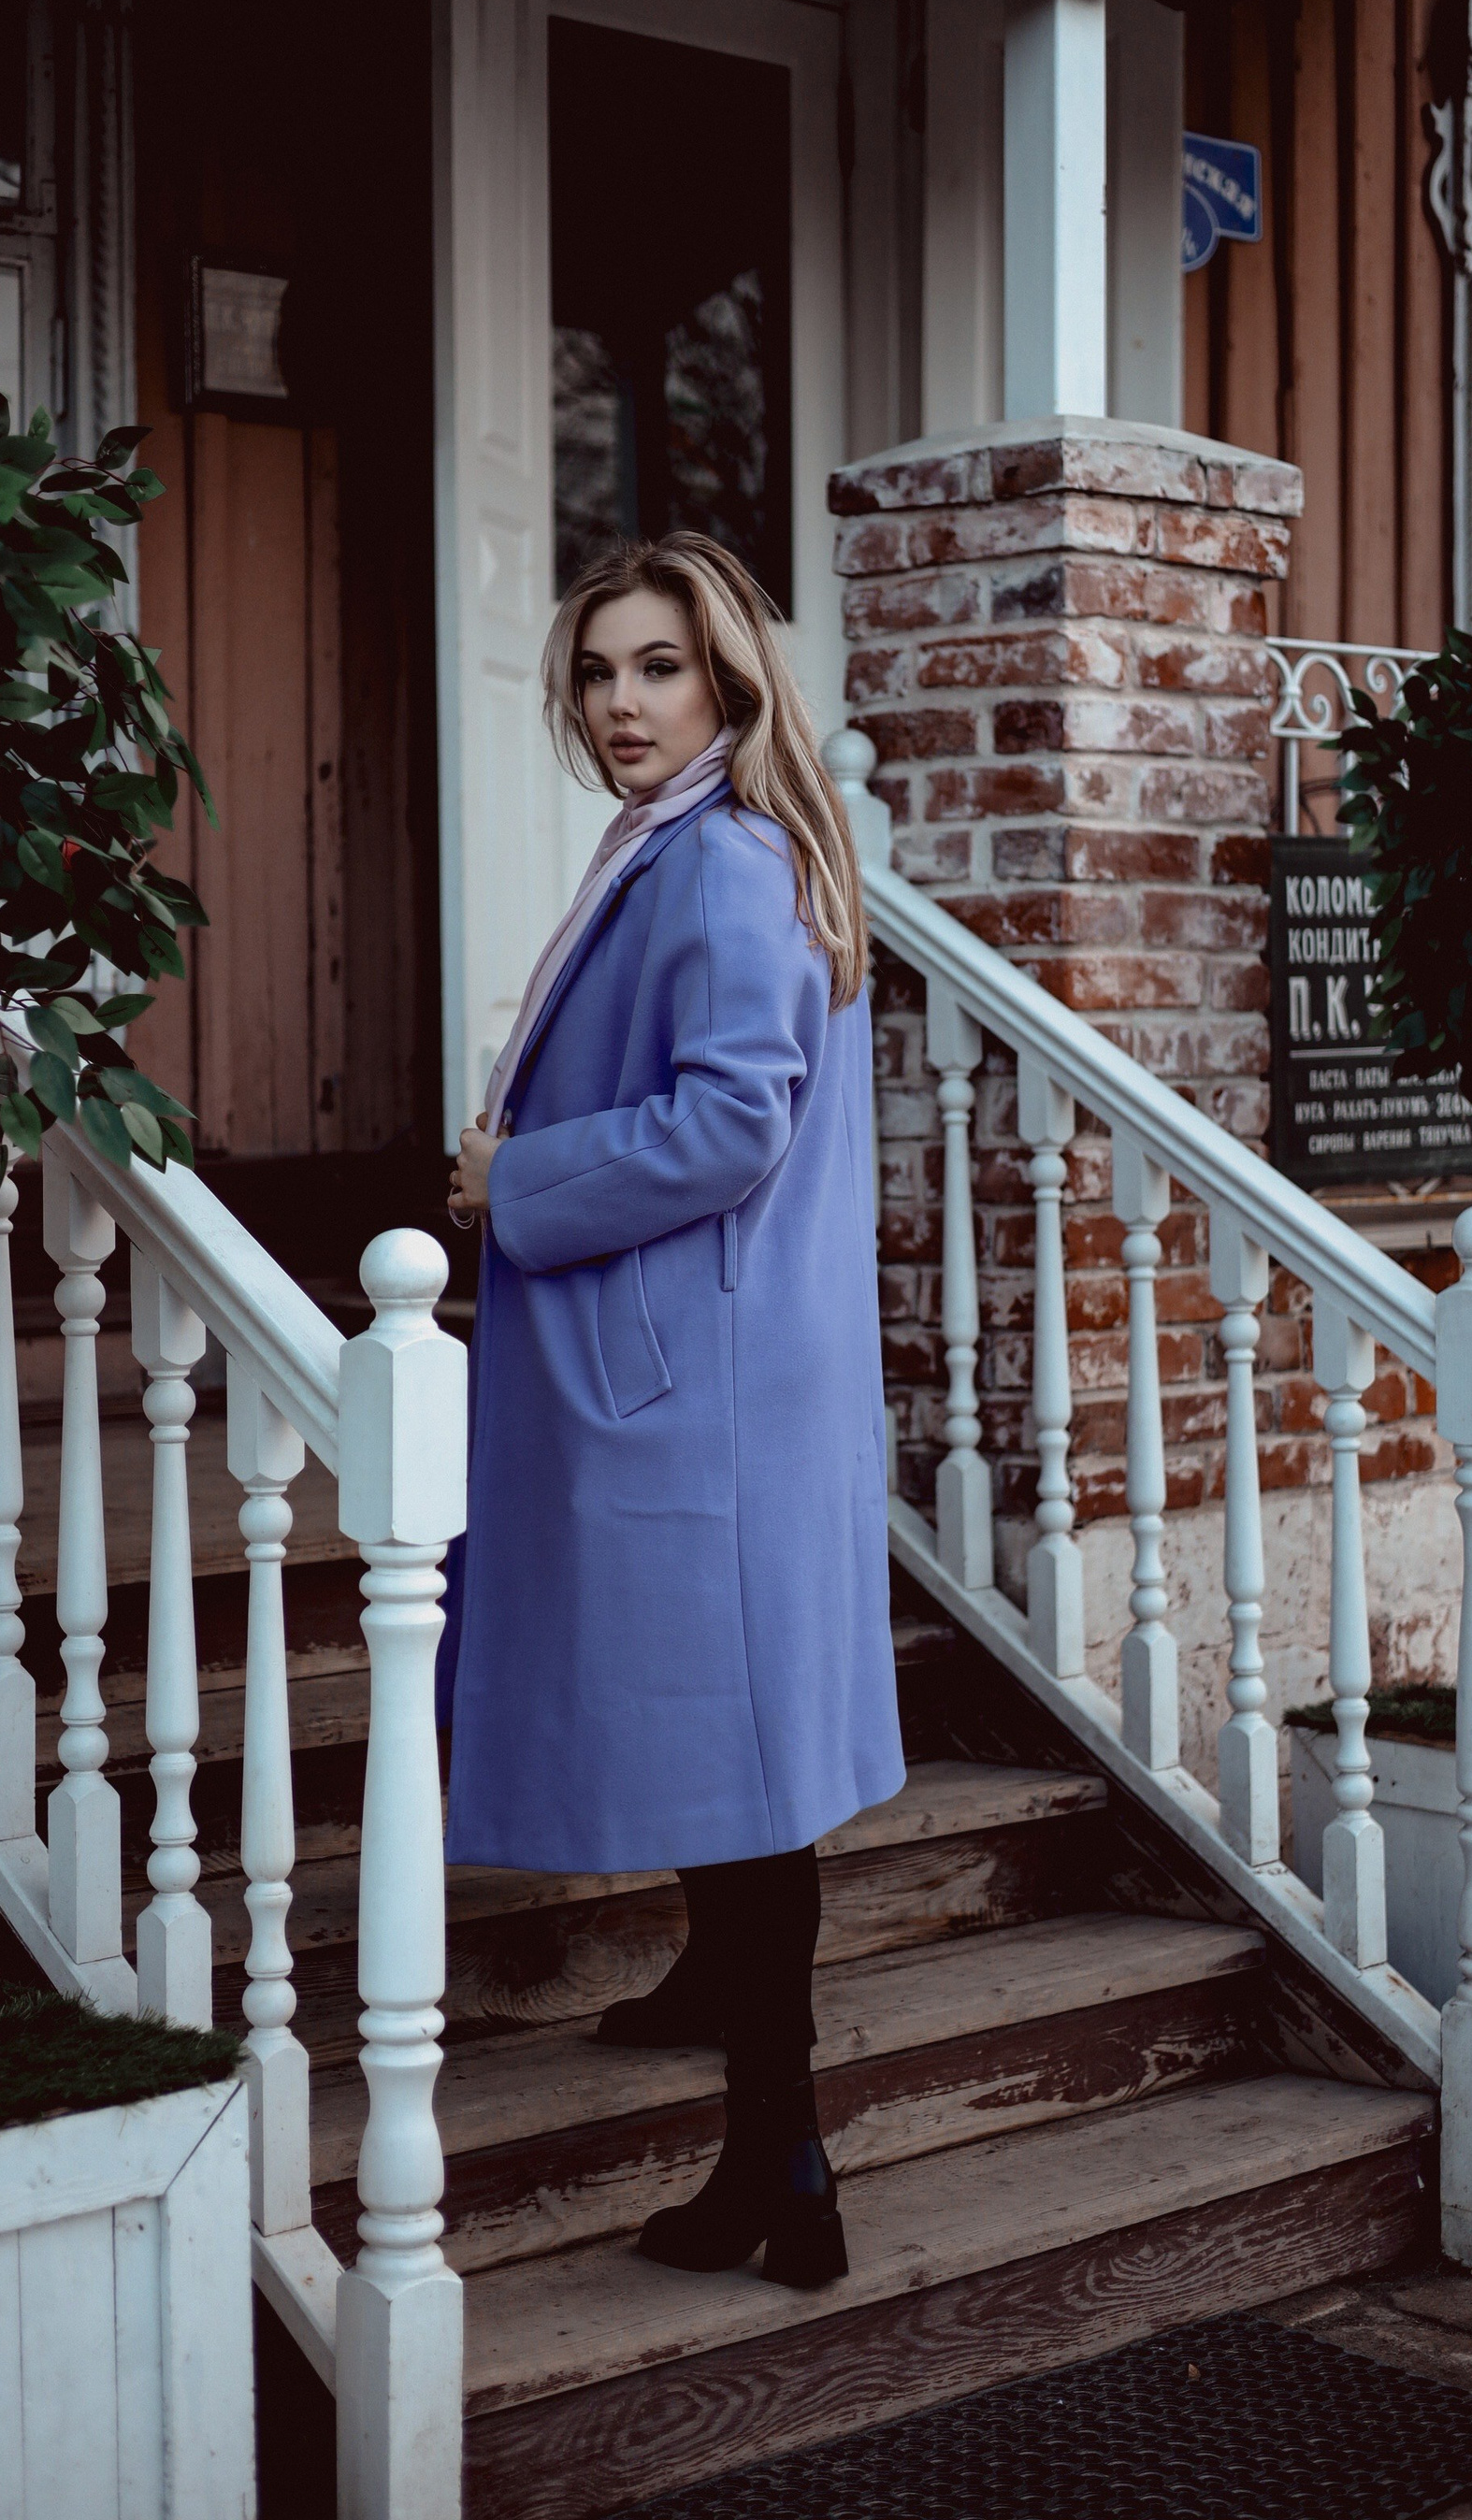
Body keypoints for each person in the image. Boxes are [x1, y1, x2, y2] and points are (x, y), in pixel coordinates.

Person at [444, 531, 903, 2290]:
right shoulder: (703, 842)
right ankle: (730, 2011)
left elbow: (730, 1123)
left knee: (749, 1760)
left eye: (657, 666)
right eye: (595, 672)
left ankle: (783, 2166)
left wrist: (514, 1179)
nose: (619, 703)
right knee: (742, 1740)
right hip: (722, 1363)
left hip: (696, 1381)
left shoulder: (720, 856)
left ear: (727, 678)